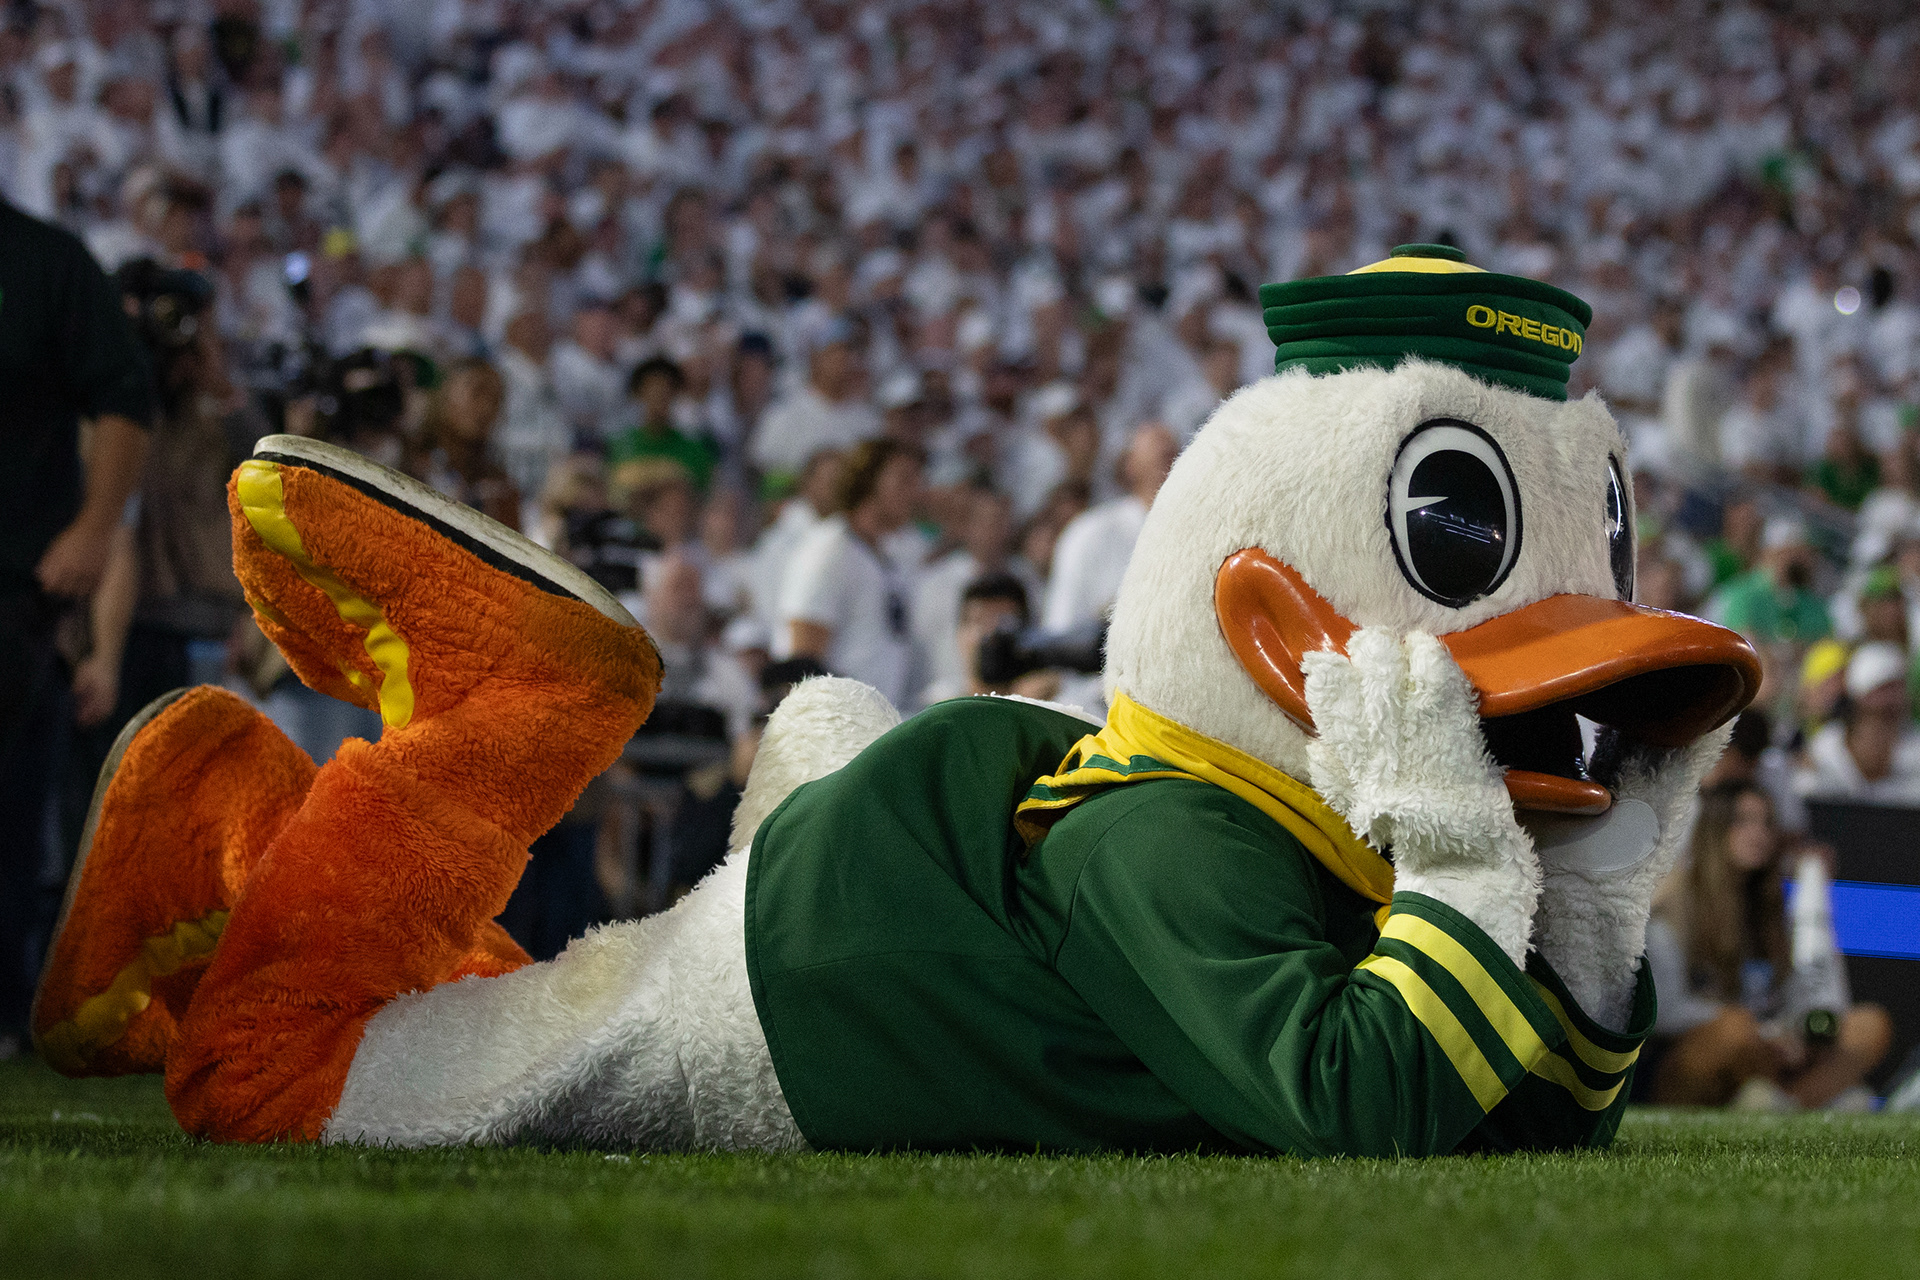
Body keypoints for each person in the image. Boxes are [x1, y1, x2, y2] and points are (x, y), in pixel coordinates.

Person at [0, 197, 153, 1054]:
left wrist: (95, 528)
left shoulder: (45, 261)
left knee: (15, 815)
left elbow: (126, 396)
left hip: (12, 582)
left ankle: (5, 1005)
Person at [1643, 782, 1891, 1108]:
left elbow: (1813, 995)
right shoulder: (1676, 905)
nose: (1758, 834)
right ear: (1714, 831)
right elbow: (1665, 1011)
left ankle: (1785, 1105)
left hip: (1769, 1050)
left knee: (1870, 1024)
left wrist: (1795, 1032)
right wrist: (1755, 1029)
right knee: (1733, 1030)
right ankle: (1811, 1100)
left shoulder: (1779, 907)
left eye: (1766, 823)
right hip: (1694, 1057)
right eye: (1742, 822)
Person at [777, 439, 925, 708]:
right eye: (903, 480)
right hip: (836, 725)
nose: (914, 493)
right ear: (868, 481)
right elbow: (803, 656)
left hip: (877, 723)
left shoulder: (890, 560)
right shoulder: (829, 549)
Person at [1043, 423, 1180, 631]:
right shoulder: (1090, 532)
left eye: (1174, 455)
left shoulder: (1202, 530)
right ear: (1130, 465)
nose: (1168, 463)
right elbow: (1062, 628)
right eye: (1160, 456)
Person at [1795, 643, 1920, 804]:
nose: (1892, 699)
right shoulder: (1825, 746)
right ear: (1861, 694)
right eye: (1884, 689)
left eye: (1898, 688)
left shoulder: (1915, 748)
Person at [608, 357, 719, 492]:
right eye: (653, 390)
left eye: (666, 391)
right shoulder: (617, 446)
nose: (660, 397)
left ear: (675, 394)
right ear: (639, 394)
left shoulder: (694, 450)